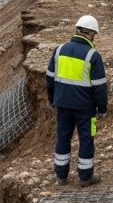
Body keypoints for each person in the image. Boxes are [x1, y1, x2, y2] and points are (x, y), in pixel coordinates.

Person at [46, 15, 108, 186]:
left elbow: (49, 78)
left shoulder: (59, 50)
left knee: (63, 137)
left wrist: (51, 99)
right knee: (86, 140)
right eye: (94, 34)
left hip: (62, 104)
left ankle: (61, 175)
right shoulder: (92, 55)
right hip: (85, 108)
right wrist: (102, 108)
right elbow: (99, 87)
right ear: (89, 33)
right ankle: (85, 176)